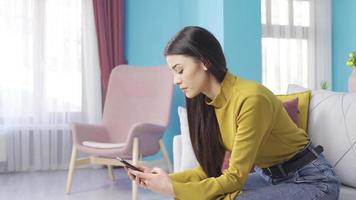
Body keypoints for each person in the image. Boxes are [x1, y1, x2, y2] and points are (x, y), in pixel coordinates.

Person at [126, 26, 340, 200]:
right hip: (268, 177)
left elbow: (235, 178)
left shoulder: (250, 99)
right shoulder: (208, 104)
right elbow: (209, 171)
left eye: (180, 70)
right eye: (173, 73)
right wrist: (167, 180)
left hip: (312, 181)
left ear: (205, 62)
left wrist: (172, 189)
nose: (176, 80)